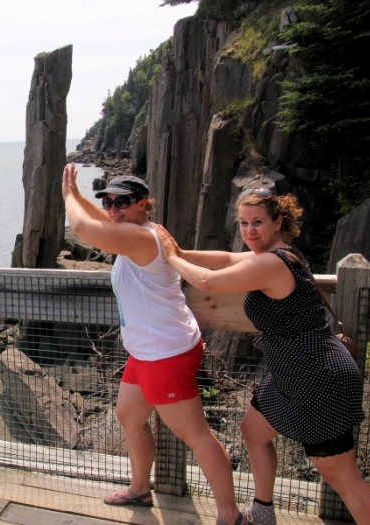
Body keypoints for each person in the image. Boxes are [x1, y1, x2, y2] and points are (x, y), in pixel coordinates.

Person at [155, 187, 370, 525]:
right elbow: (228, 259)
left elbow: (210, 282)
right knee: (254, 430)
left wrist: (171, 258)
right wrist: (183, 250)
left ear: (278, 221)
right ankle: (262, 511)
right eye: (244, 223)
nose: (250, 231)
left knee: (342, 476)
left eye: (258, 222)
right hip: (291, 374)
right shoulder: (277, 254)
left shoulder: (273, 264)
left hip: (318, 378)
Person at [62, 163, 245, 525]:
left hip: (166, 353)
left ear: (144, 204)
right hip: (146, 350)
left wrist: (68, 196)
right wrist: (85, 197)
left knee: (196, 435)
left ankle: (230, 515)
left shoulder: (143, 238)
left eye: (123, 202)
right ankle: (140, 489)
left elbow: (84, 229)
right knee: (129, 417)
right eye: (109, 202)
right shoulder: (138, 230)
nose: (114, 210)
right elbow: (107, 223)